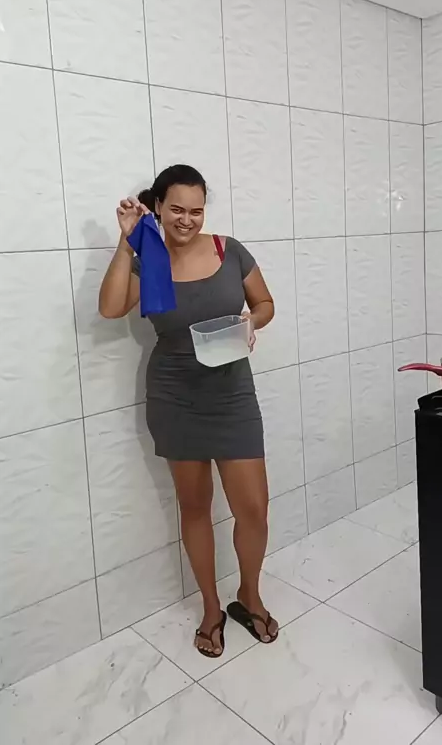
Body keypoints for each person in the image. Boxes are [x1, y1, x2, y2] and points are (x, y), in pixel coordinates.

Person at [99, 164, 278, 657]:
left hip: (232, 392)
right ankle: (211, 608)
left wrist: (252, 321)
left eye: (196, 210)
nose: (187, 219)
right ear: (157, 206)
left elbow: (265, 303)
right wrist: (127, 244)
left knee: (254, 509)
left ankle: (249, 595)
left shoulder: (229, 250)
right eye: (176, 209)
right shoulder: (149, 260)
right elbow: (111, 308)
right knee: (195, 507)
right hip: (175, 396)